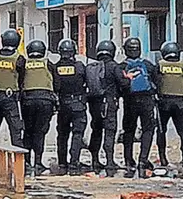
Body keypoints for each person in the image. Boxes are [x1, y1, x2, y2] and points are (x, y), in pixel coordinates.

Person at [87, 39, 128, 175]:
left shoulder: (93, 67)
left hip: (94, 104)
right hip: (109, 103)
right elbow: (123, 84)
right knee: (109, 131)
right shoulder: (114, 66)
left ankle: (95, 160)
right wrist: (128, 79)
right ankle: (110, 161)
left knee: (96, 130)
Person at [121, 37, 157, 178]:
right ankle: (143, 160)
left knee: (129, 130)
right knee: (148, 129)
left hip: (130, 101)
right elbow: (157, 82)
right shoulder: (148, 65)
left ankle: (129, 160)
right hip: (147, 101)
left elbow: (120, 84)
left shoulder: (122, 66)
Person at [155, 41, 183, 168]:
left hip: (163, 102)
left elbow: (155, 82)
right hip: (180, 103)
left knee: (161, 131)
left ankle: (163, 159)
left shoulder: (160, 66)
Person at [20, 40, 56, 175]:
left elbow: (19, 80)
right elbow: (56, 82)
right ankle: (38, 161)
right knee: (40, 132)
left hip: (28, 100)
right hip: (45, 100)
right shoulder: (48, 63)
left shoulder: (24, 63)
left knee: (28, 131)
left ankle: (27, 161)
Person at [52, 39, 87, 176]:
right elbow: (86, 82)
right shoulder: (79, 66)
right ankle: (74, 161)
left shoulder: (55, 67)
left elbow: (55, 86)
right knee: (77, 134)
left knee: (62, 135)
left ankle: (62, 162)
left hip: (63, 105)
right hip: (78, 104)